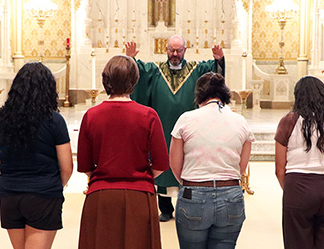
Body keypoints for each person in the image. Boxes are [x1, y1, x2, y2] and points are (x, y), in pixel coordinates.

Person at [125, 35, 224, 221]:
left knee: (188, 162)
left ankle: (186, 207)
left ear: (185, 50)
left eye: (179, 50)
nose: (175, 54)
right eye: (172, 50)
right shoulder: (154, 71)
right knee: (162, 160)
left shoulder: (196, 70)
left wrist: (219, 60)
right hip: (162, 127)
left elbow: (214, 73)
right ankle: (165, 209)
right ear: (166, 50)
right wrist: (131, 59)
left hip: (190, 131)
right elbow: (138, 74)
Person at [77, 55, 169, 249]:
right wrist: (140, 176)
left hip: (100, 196)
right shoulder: (148, 115)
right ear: (135, 80)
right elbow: (161, 164)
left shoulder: (91, 115)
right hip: (139, 197)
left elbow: (85, 166)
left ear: (106, 80)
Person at [0, 62, 73, 249]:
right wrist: (52, 185)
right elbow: (67, 167)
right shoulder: (54, 121)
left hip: (10, 194)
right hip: (42, 194)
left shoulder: (1, 120)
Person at [170, 72, 254, 248]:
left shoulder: (186, 119)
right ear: (225, 93)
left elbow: (175, 163)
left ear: (199, 94)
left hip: (194, 193)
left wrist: (191, 182)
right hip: (230, 193)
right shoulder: (240, 121)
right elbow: (242, 166)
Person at [274, 76, 324, 249]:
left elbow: (279, 169)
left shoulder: (289, 121)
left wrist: (294, 192)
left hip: (298, 185)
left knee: (297, 242)